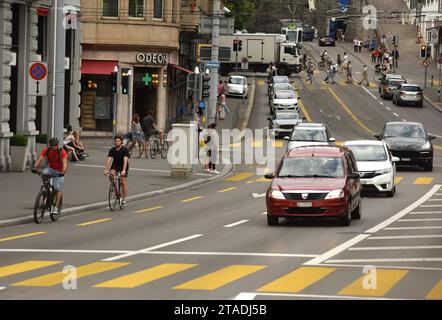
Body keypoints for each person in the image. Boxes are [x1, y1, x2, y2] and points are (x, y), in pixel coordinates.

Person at [33, 137, 68, 216]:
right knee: (44, 173)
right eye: (52, 145)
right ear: (50, 145)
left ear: (57, 145)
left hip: (60, 171)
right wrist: (35, 167)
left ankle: (56, 207)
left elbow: (65, 162)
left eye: (55, 145)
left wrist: (63, 171)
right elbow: (40, 158)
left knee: (57, 188)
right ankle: (46, 192)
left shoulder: (61, 151)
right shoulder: (47, 150)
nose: (54, 146)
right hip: (51, 169)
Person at [104, 135, 129, 206]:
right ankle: (116, 191)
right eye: (115, 141)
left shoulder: (125, 150)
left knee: (123, 181)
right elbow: (109, 160)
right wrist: (106, 169)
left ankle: (124, 198)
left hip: (123, 166)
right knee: (111, 175)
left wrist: (123, 170)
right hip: (115, 166)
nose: (116, 142)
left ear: (121, 142)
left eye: (118, 141)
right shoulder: (112, 150)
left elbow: (125, 160)